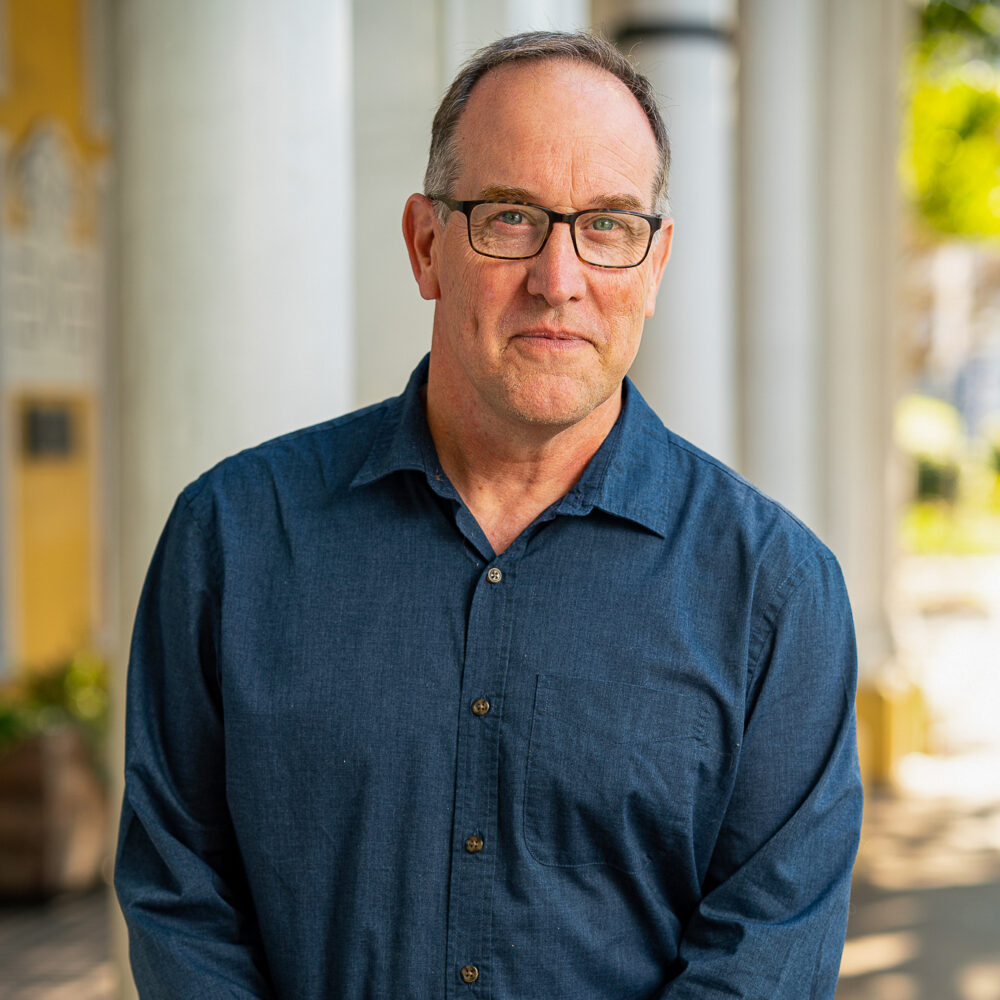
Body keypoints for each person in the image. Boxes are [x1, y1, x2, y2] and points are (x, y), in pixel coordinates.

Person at [115, 30, 863, 1000]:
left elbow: (763, 958)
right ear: (426, 245)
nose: (558, 279)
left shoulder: (777, 594)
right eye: (510, 218)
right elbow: (182, 902)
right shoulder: (229, 540)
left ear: (655, 263)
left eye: (606, 224)